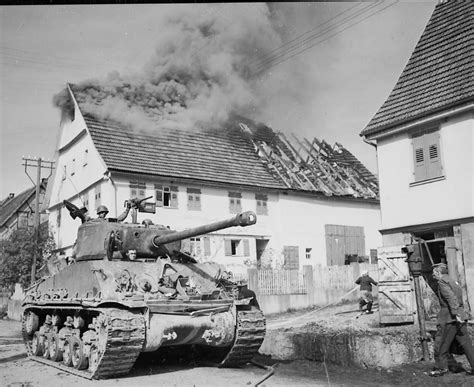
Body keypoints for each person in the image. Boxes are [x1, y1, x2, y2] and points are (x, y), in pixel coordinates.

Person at [429, 263, 474, 377]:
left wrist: (455, 314)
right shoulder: (453, 281)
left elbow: (451, 298)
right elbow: (458, 298)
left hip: (449, 317)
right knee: (467, 344)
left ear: (439, 273)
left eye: (434, 273)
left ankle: (441, 368)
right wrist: (459, 314)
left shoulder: (442, 282)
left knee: (441, 343)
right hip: (459, 315)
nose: (433, 276)